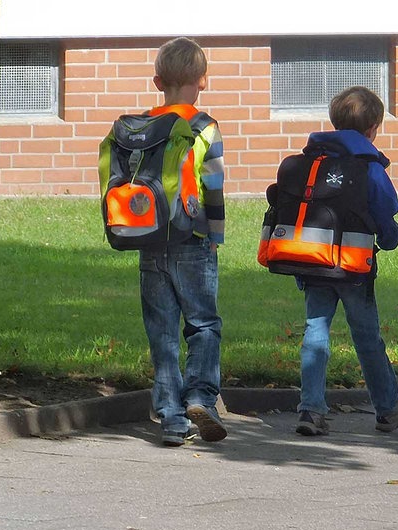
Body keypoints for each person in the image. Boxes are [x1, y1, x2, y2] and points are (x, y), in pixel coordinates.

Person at [294, 86, 398, 436]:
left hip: (313, 263)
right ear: (372, 128)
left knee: (314, 334)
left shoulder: (311, 160)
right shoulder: (369, 167)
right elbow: (385, 221)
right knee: (367, 337)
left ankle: (310, 409)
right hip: (353, 268)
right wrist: (391, 239)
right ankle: (388, 406)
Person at [140, 37, 228, 447]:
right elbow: (214, 185)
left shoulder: (141, 125)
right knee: (203, 323)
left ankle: (172, 419)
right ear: (203, 81)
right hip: (193, 237)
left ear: (158, 81)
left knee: (162, 331)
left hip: (149, 238)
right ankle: (200, 399)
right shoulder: (204, 126)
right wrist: (216, 235)